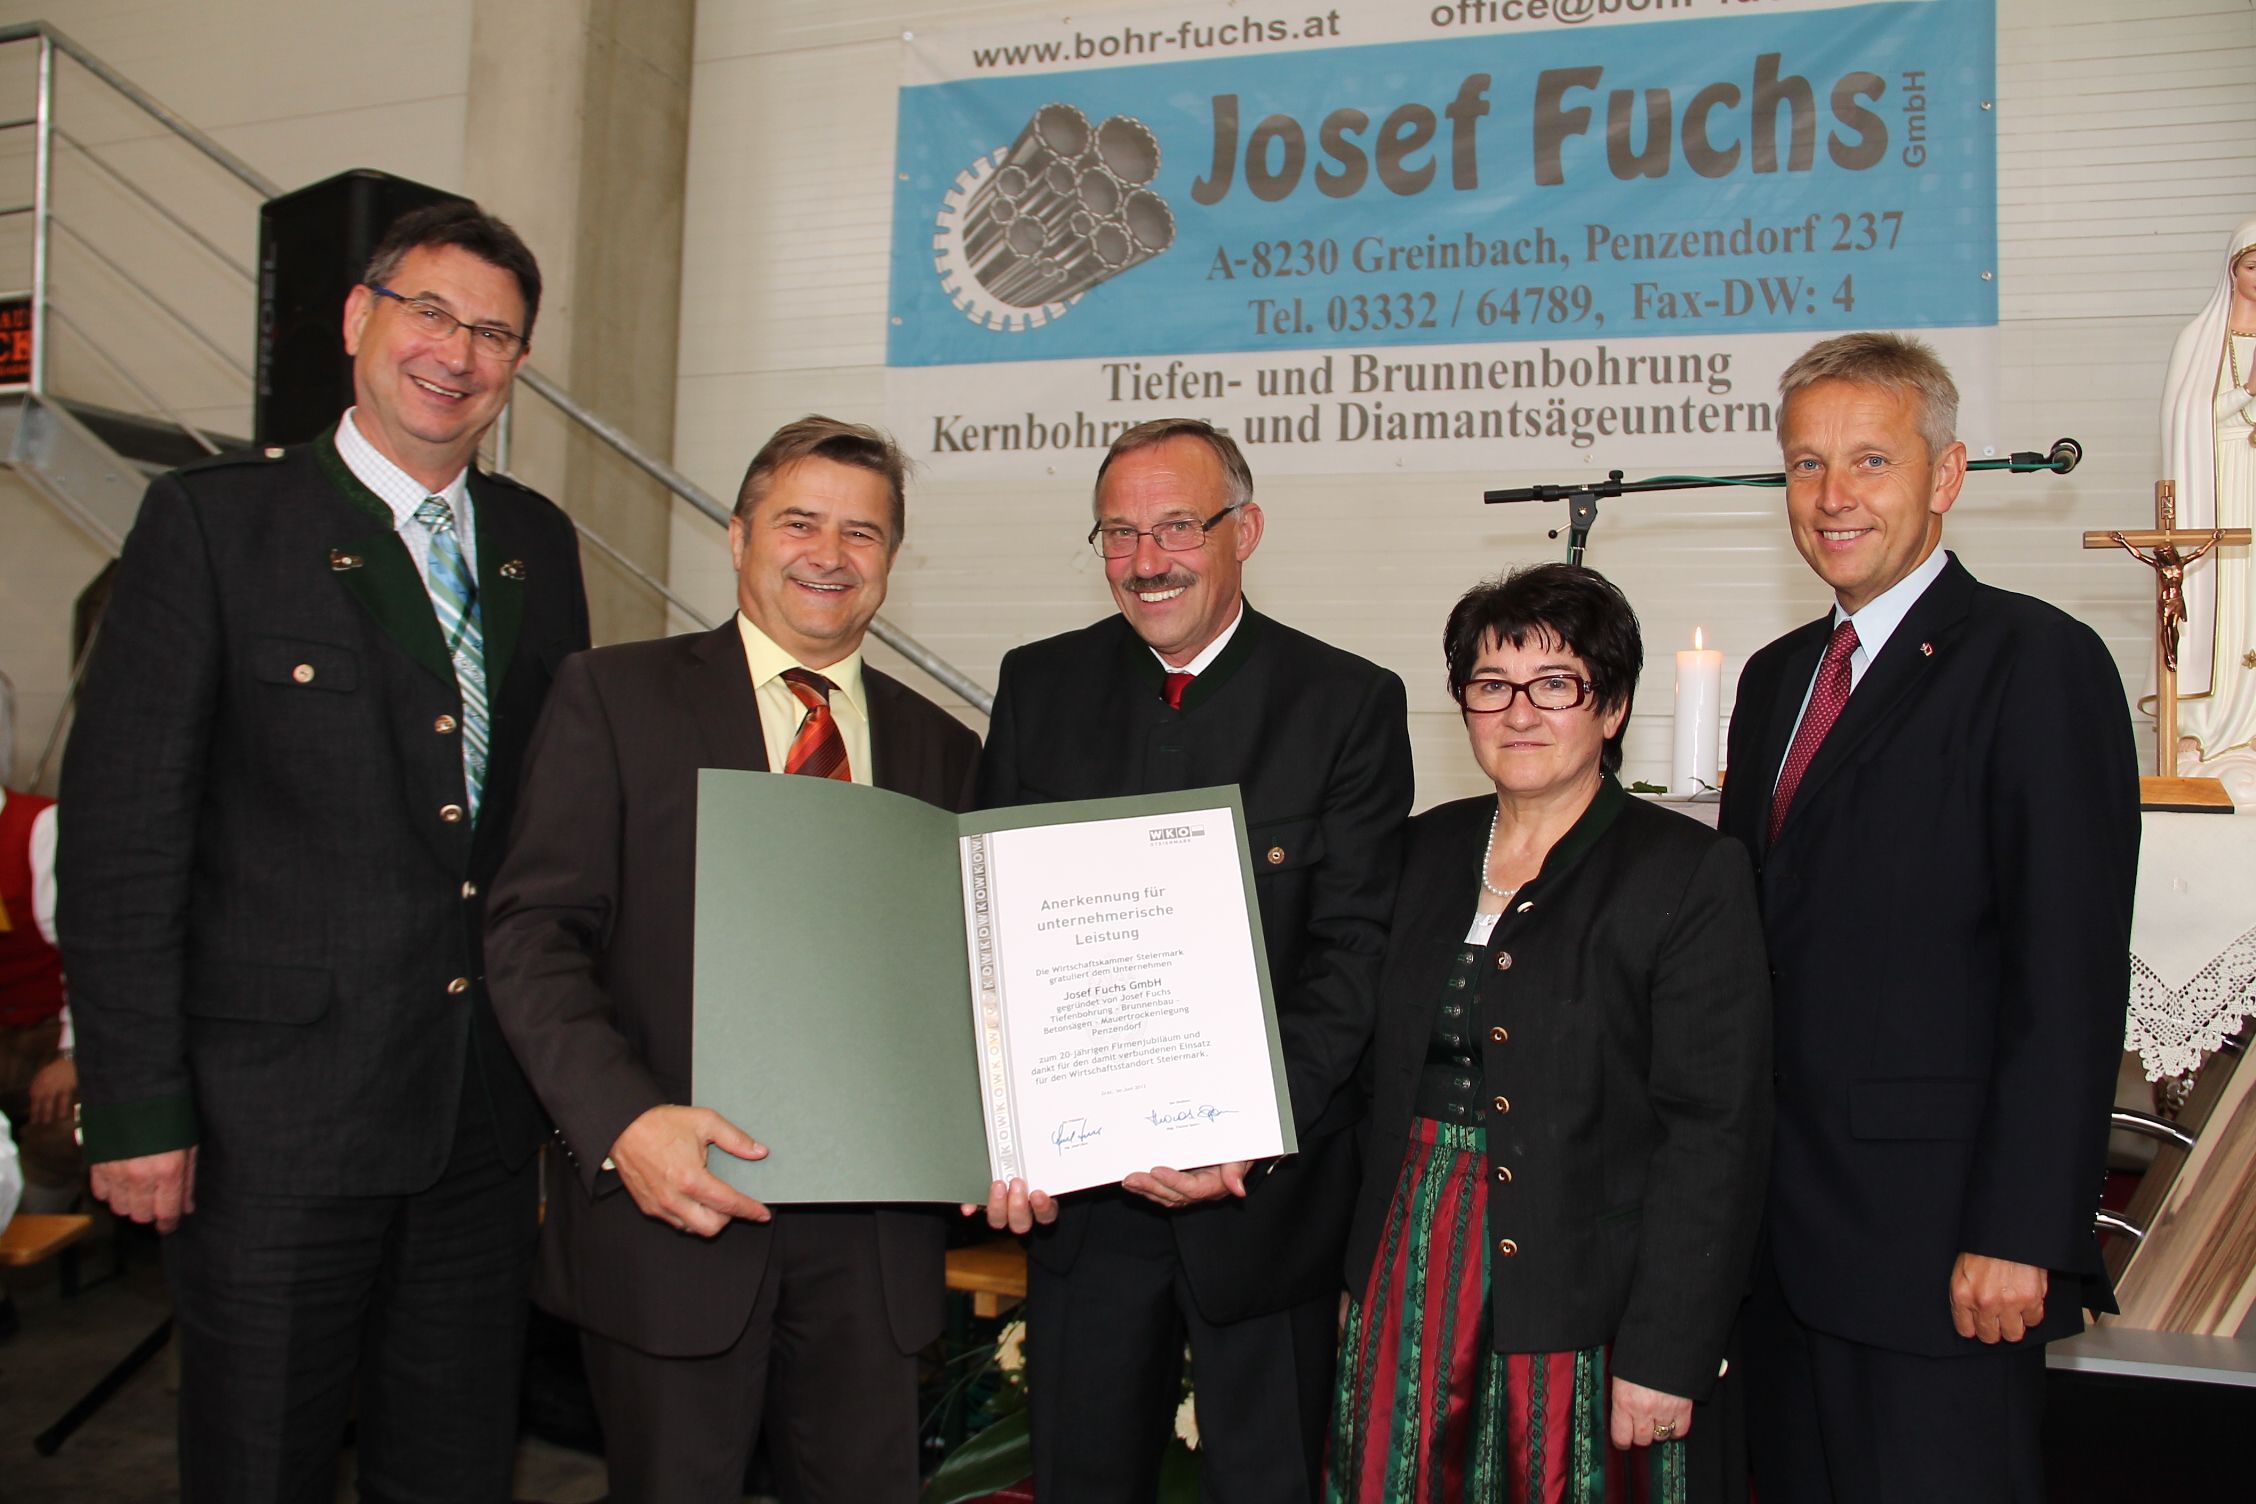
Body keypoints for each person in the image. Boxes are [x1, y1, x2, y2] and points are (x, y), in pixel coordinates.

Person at [57, 201, 586, 1502]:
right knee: (259, 1464)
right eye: (430, 313)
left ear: (518, 366)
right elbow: (125, 842)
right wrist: (136, 1107)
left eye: (495, 334)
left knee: (454, 1464)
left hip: (473, 1126)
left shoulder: (538, 546)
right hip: (267, 1131)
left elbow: (553, 834)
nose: (456, 354)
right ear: (359, 318)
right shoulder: (210, 527)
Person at [483, 416, 979, 1504]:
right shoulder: (612, 698)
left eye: (864, 532)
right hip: (677, 1214)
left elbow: (969, 988)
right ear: (738, 533)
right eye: (800, 521)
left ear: (891, 560)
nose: (829, 553)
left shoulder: (944, 751)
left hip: (876, 1245)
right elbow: (530, 935)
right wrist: (624, 1122)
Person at [1722, 333, 2140, 1502]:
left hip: (1942, 1252)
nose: (1833, 496)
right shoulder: (1772, 678)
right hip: (1779, 1257)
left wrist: (2025, 1228)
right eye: (1805, 465)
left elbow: (2067, 972)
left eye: (1868, 459)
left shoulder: (2037, 662)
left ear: (1945, 474)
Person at [975, 417, 1415, 1504]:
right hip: (1084, 1209)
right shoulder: (1039, 687)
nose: (1145, 560)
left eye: (1177, 526)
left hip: (1263, 1210)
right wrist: (1008, 1127)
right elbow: (986, 934)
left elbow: (1353, 956)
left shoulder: (1347, 704)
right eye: (1117, 533)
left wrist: (1239, 1133)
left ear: (1244, 531)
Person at [1328, 563, 1772, 1503]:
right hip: (1410, 1265)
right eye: (1491, 685)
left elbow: (1714, 1132)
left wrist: (1668, 1347)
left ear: (1610, 710)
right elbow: (1363, 1075)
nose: (1519, 712)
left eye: (1555, 685)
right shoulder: (1419, 850)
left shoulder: (1686, 872)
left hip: (1588, 1287)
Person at [2163, 216, 2256, 770]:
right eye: (2253, 265)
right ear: (2233, 270)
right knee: (2219, 596)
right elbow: (2187, 418)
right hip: (2221, 485)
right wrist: (2244, 394)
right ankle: (2206, 721)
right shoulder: (2201, 340)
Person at [0, 783, 80, 1214]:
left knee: (60, 1128)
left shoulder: (39, 826)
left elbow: (86, 954)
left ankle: (27, 1254)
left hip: (52, 1026)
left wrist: (72, 1054)